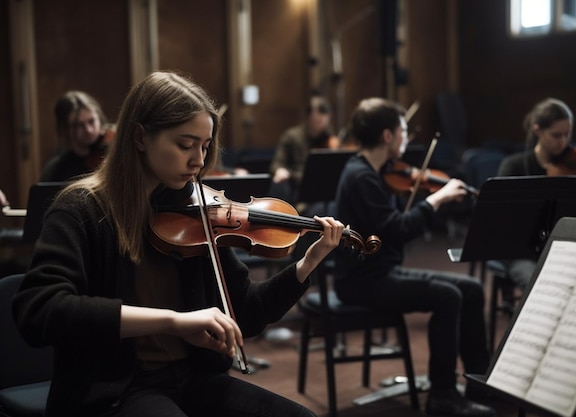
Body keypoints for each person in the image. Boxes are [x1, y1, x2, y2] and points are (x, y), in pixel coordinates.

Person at [12, 71, 345, 417]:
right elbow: (40, 309)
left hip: (192, 378)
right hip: (118, 389)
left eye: (205, 146)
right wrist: (172, 321)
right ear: (140, 137)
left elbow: (244, 310)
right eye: (185, 145)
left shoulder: (197, 210)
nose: (199, 161)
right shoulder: (81, 209)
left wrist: (307, 264)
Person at [333, 98, 495, 417]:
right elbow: (399, 229)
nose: (408, 138)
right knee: (447, 296)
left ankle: (480, 383)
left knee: (472, 289)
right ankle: (443, 396)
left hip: (380, 273)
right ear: (387, 136)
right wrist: (436, 199)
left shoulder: (372, 172)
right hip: (361, 282)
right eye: (404, 130)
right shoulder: (361, 177)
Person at [496, 97, 574, 291]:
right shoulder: (513, 166)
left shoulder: (573, 165)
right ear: (537, 130)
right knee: (540, 283)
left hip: (564, 249)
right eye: (556, 135)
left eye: (567, 135)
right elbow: (502, 217)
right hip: (521, 252)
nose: (563, 142)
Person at [268, 94, 337, 205]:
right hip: (298, 190)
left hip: (323, 190)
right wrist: (280, 170)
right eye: (318, 121)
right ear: (309, 117)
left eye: (325, 120)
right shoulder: (292, 136)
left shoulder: (329, 138)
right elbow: (277, 164)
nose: (322, 125)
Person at [40, 90, 115, 182]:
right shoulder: (57, 168)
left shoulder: (115, 144)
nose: (88, 130)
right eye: (78, 125)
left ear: (99, 118)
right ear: (65, 129)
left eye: (91, 121)